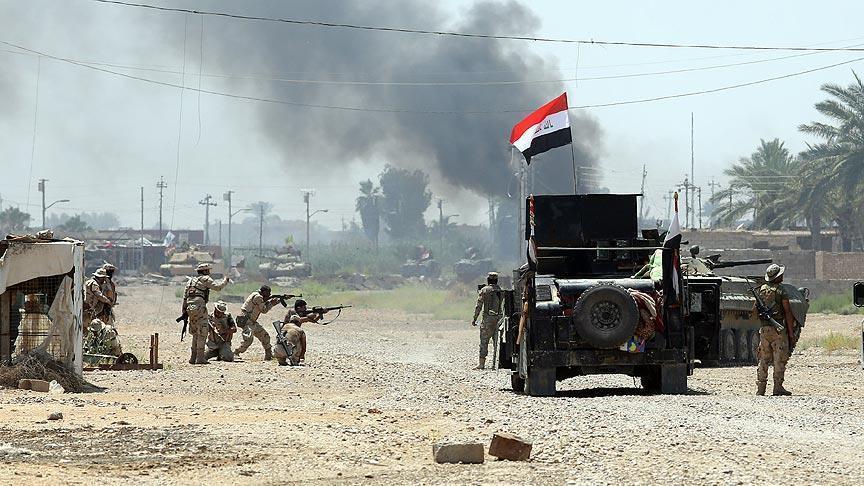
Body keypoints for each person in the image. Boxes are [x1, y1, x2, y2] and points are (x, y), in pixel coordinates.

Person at [755, 263, 797, 396]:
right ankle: (778, 387)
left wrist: (764, 320)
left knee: (763, 358)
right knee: (779, 358)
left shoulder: (761, 290)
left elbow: (754, 310)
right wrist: (791, 333)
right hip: (778, 330)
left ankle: (761, 388)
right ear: (777, 277)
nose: (782, 276)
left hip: (764, 329)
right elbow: (788, 312)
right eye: (781, 274)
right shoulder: (781, 291)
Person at [182, 263, 229, 365]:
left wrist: (184, 311)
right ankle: (200, 358)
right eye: (208, 270)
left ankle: (193, 358)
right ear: (205, 271)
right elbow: (217, 287)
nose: (209, 272)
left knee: (195, 332)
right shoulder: (205, 279)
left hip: (190, 309)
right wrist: (225, 281)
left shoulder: (190, 281)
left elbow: (185, 298)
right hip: (200, 308)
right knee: (203, 332)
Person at [233, 285, 281, 361]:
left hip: (252, 322)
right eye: (268, 293)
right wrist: (272, 303)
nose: (269, 295)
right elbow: (264, 310)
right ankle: (236, 352)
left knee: (265, 336)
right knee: (248, 339)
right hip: (247, 321)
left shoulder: (256, 295)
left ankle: (269, 355)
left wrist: (277, 301)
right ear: (264, 292)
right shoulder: (258, 297)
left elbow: (264, 304)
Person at [273, 299, 322, 366]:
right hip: (286, 333)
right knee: (299, 342)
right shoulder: (292, 312)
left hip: (291, 333)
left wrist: (320, 314)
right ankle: (296, 359)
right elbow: (299, 319)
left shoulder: (300, 314)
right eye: (304, 307)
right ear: (299, 308)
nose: (305, 309)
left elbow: (314, 320)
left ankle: (283, 359)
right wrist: (310, 316)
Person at [471, 272, 503, 370]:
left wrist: (474, 318)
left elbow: (479, 306)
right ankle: (497, 364)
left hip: (487, 319)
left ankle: (481, 364)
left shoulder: (484, 290)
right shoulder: (501, 290)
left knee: (484, 342)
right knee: (497, 342)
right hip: (499, 319)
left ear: (488, 280)